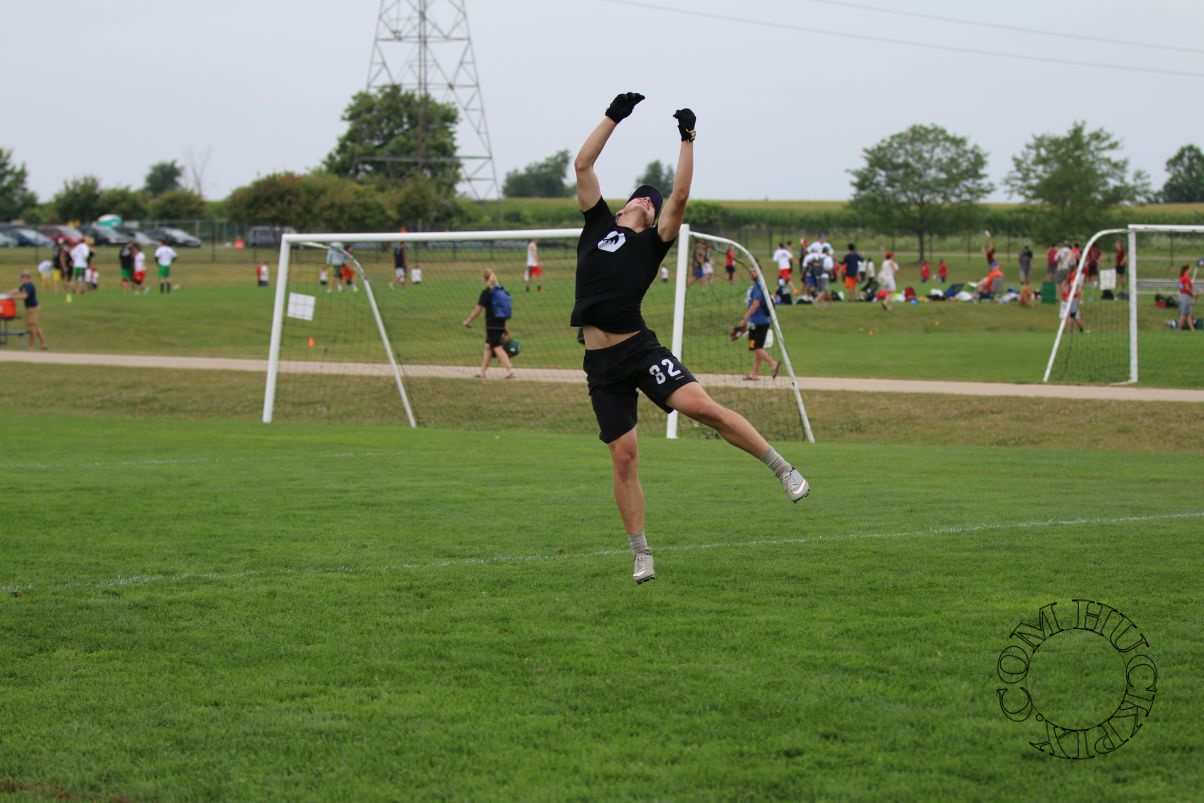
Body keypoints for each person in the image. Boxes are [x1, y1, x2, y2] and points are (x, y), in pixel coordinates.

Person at [571, 92, 808, 585]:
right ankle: (641, 553)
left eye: (652, 201)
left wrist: (687, 139)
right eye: (640, 195)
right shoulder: (596, 225)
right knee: (623, 457)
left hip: (639, 349)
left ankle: (783, 468)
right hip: (601, 365)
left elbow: (678, 195)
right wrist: (613, 116)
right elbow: (583, 164)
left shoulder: (653, 242)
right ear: (623, 205)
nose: (647, 199)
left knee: (704, 409)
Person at [462, 269, 515, 378]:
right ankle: (482, 372)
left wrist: (467, 321)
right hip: (500, 322)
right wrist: (504, 326)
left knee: (497, 347)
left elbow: (477, 311)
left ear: (484, 279)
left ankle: (510, 370)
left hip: (491, 324)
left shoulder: (486, 293)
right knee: (488, 346)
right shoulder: (500, 291)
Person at [734, 266, 779, 381]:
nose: (751, 273)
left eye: (754, 271)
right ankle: (754, 374)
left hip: (757, 322)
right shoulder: (759, 285)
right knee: (758, 348)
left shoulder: (758, 286)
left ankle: (773, 363)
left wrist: (745, 318)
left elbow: (756, 304)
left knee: (754, 347)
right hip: (763, 321)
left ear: (760, 272)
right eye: (750, 271)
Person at [3, 270, 47, 349]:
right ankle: (44, 344)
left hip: (32, 309)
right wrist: (6, 293)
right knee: (36, 326)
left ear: (26, 277)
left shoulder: (29, 286)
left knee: (32, 327)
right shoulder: (25, 285)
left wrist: (11, 297)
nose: (21, 280)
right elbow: (17, 290)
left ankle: (31, 345)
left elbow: (24, 296)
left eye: (22, 278)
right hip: (32, 308)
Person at [1178, 263, 1196, 332]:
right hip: (1186, 297)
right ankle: (1179, 329)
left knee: (1188, 314)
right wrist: (1192, 293)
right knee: (1184, 314)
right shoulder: (1186, 277)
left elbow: (1181, 287)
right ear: (1187, 269)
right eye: (1190, 268)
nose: (1191, 270)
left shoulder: (1181, 277)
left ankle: (1192, 329)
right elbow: (1187, 288)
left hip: (1182, 296)